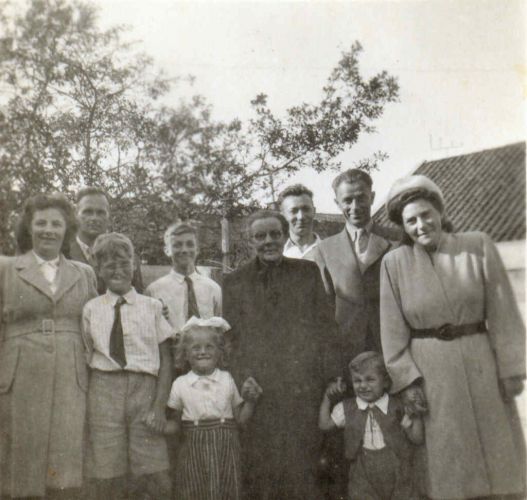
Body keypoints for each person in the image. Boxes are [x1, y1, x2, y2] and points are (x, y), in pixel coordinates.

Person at [380, 174, 525, 499]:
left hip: (481, 362)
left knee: (497, 456)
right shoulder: (394, 263)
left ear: (441, 213)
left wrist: (511, 369)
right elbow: (391, 333)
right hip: (431, 371)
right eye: (411, 220)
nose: (421, 225)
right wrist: (408, 383)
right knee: (447, 462)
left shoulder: (477, 246)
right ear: (403, 226)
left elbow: (504, 314)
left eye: (426, 215)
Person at [223, 209, 342, 500]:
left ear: (285, 234)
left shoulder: (307, 272)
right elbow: (231, 339)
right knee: (263, 471)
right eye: (260, 236)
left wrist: (332, 377)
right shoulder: (235, 281)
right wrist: (243, 380)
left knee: (304, 468)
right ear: (250, 241)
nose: (268, 241)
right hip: (259, 391)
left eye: (275, 234)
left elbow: (325, 327)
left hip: (302, 387)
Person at [0, 193, 98, 499]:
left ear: (67, 229)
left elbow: (96, 323)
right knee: (21, 464)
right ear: (29, 228)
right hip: (20, 375)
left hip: (71, 377)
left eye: (56, 223)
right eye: (40, 222)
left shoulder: (84, 273)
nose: (48, 230)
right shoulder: (6, 269)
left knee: (65, 467)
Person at [82, 232, 173, 499]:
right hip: (104, 388)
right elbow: (87, 355)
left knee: (153, 469)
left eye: (124, 263)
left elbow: (166, 358)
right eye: (109, 266)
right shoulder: (91, 309)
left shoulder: (153, 306)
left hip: (144, 389)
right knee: (107, 470)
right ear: (98, 270)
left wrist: (158, 406)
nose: (118, 270)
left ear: (135, 264)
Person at [165, 316, 262, 500]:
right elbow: (175, 424)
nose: (202, 352)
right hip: (193, 449)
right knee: (194, 489)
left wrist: (250, 401)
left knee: (227, 489)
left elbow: (240, 419)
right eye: (196, 347)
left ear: (220, 352)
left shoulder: (227, 379)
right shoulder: (181, 384)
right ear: (185, 353)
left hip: (226, 449)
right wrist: (159, 426)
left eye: (209, 347)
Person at [311, 169, 400, 361]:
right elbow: (324, 312)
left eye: (361, 198)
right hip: (347, 353)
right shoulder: (325, 250)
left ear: (372, 197)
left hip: (392, 346)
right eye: (347, 200)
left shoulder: (397, 240)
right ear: (337, 203)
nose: (355, 206)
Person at [319, 351, 423, 500]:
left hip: (397, 467)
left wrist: (416, 415)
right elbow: (324, 425)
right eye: (357, 380)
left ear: (385, 382)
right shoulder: (347, 407)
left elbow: (417, 438)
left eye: (370, 379)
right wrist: (327, 399)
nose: (363, 386)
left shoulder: (397, 406)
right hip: (363, 469)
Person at [146, 222, 222, 332]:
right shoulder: (154, 291)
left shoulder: (213, 289)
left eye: (190, 244)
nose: (184, 250)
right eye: (177, 245)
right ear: (167, 250)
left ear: (197, 249)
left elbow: (220, 330)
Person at [68, 186, 144, 293]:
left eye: (100, 212)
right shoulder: (62, 253)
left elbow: (139, 297)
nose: (94, 218)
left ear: (109, 216)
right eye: (88, 212)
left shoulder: (127, 255)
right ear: (76, 214)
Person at [279, 184, 321, 260]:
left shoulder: (330, 251)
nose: (301, 216)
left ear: (314, 211)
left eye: (306, 209)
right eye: (293, 211)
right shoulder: (278, 254)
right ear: (283, 216)